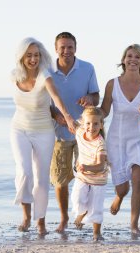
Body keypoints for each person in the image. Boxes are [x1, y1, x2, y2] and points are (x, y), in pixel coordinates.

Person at [10, 37, 76, 235]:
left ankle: (41, 222)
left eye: (36, 55)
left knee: (41, 179)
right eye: (29, 55)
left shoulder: (45, 75)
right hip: (19, 128)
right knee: (24, 171)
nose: (33, 59)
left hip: (44, 131)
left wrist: (68, 118)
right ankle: (26, 215)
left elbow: (56, 97)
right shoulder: (14, 76)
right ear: (22, 57)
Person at [101, 44, 140, 235]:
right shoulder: (112, 84)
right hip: (116, 141)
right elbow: (104, 111)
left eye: (138, 57)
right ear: (123, 59)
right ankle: (119, 196)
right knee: (123, 187)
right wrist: (89, 111)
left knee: (138, 179)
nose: (133, 60)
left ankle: (134, 225)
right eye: (129, 56)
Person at [49, 32, 100, 233]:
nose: (66, 51)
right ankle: (64, 218)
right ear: (56, 49)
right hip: (58, 133)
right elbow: (44, 103)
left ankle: (82, 215)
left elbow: (96, 96)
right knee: (60, 181)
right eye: (62, 47)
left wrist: (89, 97)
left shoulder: (87, 68)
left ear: (75, 48)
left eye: (70, 47)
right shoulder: (47, 71)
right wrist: (56, 115)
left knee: (86, 177)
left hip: (85, 134)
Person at [70, 107, 109, 241]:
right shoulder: (80, 132)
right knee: (77, 198)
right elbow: (70, 122)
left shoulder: (100, 144)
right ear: (83, 123)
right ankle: (82, 213)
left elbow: (100, 166)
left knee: (96, 206)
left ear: (101, 125)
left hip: (98, 179)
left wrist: (86, 166)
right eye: (88, 123)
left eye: (96, 124)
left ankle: (97, 233)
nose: (91, 127)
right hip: (83, 177)